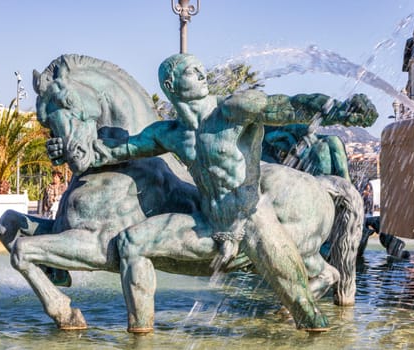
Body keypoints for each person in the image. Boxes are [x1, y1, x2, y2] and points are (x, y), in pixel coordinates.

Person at [48, 53, 376, 332]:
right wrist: (69, 149)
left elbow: (286, 106)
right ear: (170, 85)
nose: (202, 74)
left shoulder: (233, 110)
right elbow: (115, 151)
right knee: (132, 243)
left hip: (253, 223)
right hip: (207, 223)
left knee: (306, 313)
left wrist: (340, 110)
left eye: (201, 69)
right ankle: (141, 334)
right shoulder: (170, 133)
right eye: (191, 70)